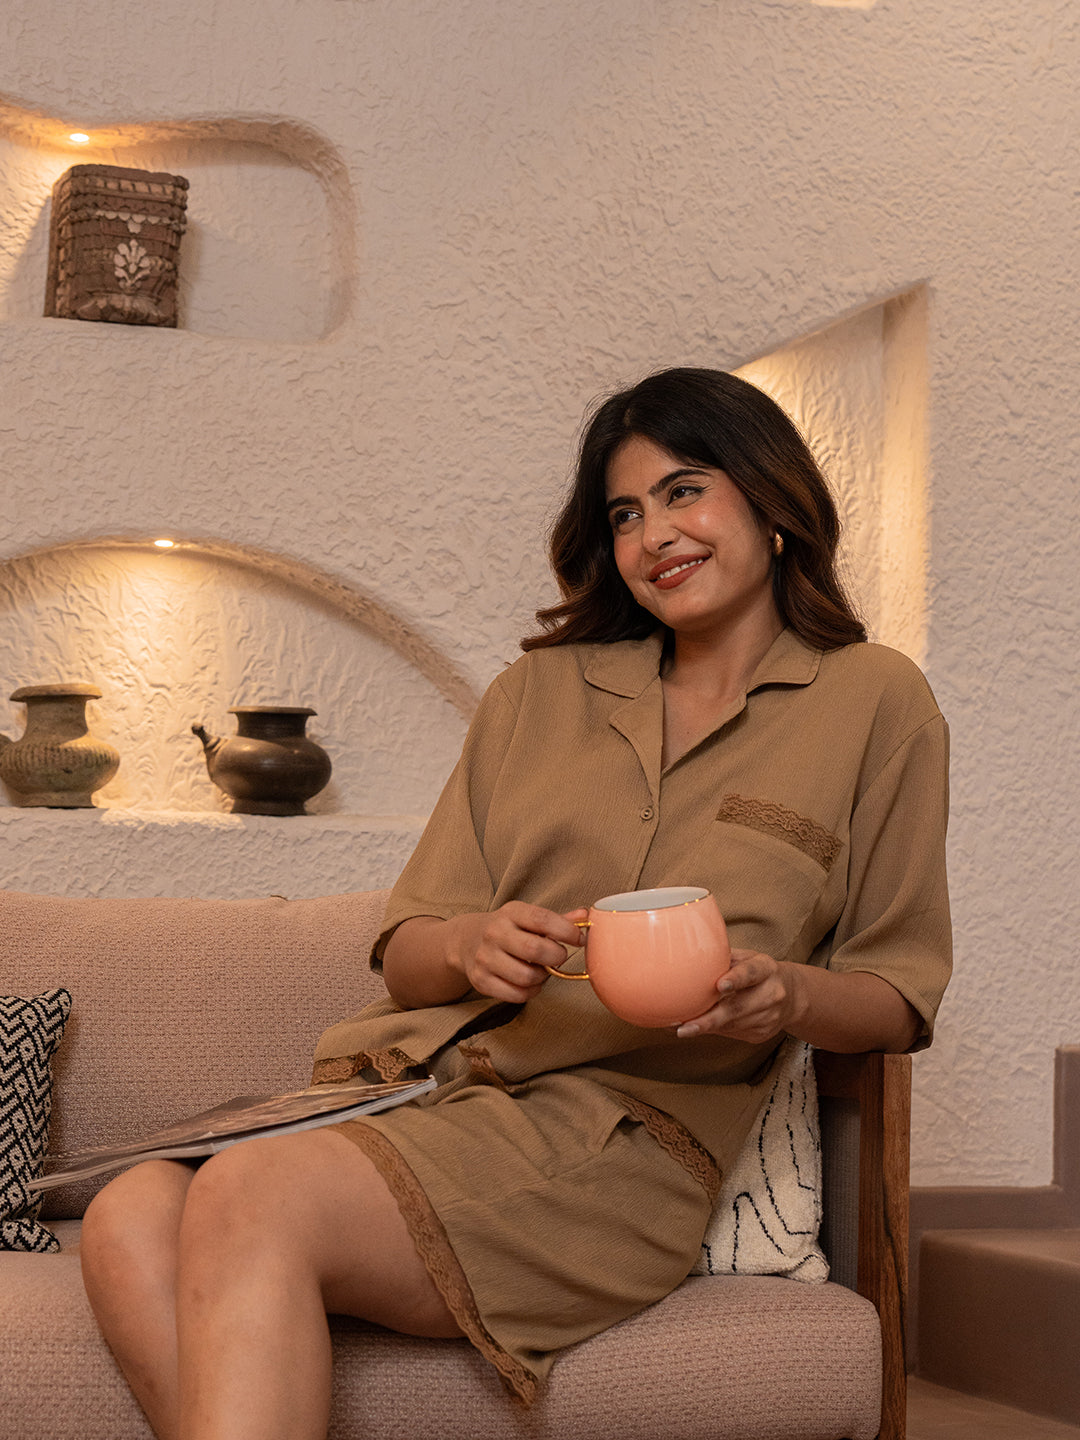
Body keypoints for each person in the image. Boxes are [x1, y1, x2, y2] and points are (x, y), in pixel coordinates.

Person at [79, 367, 951, 1440]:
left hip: (626, 1142)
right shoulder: (534, 695)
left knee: (251, 1193)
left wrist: (788, 998)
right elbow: (408, 954)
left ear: (773, 502)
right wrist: (471, 945)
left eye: (684, 491)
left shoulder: (876, 701)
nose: (653, 535)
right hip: (420, 1094)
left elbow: (899, 991)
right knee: (127, 1210)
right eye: (623, 514)